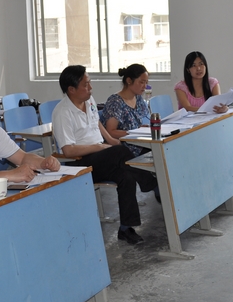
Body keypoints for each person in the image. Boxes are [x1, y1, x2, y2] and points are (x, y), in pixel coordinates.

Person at [52, 65, 158, 245]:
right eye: (86, 84)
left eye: (90, 83)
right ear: (71, 89)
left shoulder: (89, 100)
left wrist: (110, 140)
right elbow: (68, 151)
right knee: (120, 152)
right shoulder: (62, 112)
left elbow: (97, 124)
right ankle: (153, 184)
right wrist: (99, 147)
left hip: (101, 157)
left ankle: (126, 228)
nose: (90, 88)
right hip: (80, 163)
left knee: (126, 175)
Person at [101, 64, 150, 157]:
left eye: (146, 82)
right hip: (125, 149)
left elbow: (136, 123)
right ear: (129, 81)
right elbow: (110, 131)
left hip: (139, 144)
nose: (145, 86)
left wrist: (141, 129)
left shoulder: (138, 98)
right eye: (141, 82)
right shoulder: (115, 102)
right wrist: (134, 132)